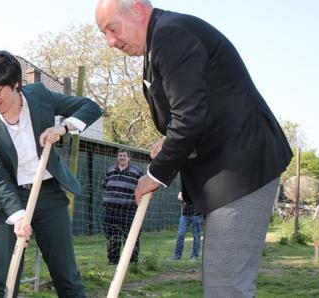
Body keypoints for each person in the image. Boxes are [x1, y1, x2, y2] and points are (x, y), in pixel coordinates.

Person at [95, 1, 292, 296]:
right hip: (230, 169)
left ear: (137, 9)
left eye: (112, 28)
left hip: (241, 169)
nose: (111, 41)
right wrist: (171, 140)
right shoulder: (163, 40)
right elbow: (196, 109)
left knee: (226, 287)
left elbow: (189, 117)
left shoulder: (170, 35)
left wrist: (156, 174)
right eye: (104, 34)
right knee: (221, 283)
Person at [0, 50, 102, 297]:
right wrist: (18, 216)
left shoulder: (40, 96)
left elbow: (90, 107)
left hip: (48, 193)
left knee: (67, 277)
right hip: (7, 201)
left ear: (16, 84)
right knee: (3, 282)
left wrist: (62, 127)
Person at [101, 149, 143, 265]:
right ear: (117, 157)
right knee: (112, 237)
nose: (122, 157)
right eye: (120, 155)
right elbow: (104, 186)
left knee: (131, 237)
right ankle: (113, 261)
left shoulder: (137, 172)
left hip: (129, 211)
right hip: (110, 211)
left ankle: (131, 262)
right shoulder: (110, 170)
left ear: (129, 158)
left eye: (124, 155)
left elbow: (142, 189)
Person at [171, 192, 203, 261]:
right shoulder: (186, 187)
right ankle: (177, 255)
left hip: (197, 215)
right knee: (180, 234)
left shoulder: (199, 188)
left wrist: (187, 198)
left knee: (196, 236)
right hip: (185, 215)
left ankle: (194, 256)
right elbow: (179, 196)